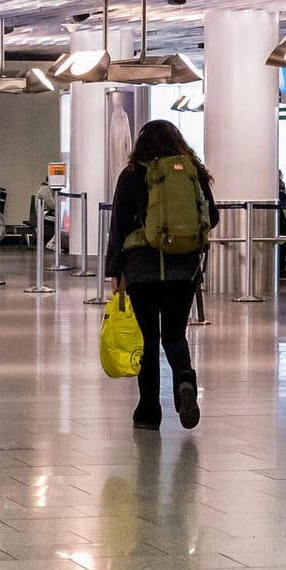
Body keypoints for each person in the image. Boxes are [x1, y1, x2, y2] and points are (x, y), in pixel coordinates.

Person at [104, 120, 218, 431]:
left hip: (142, 270)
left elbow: (119, 226)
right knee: (174, 334)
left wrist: (113, 269)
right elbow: (214, 216)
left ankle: (148, 412)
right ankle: (185, 380)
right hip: (184, 270)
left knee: (149, 339)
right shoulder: (192, 171)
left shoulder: (132, 175)